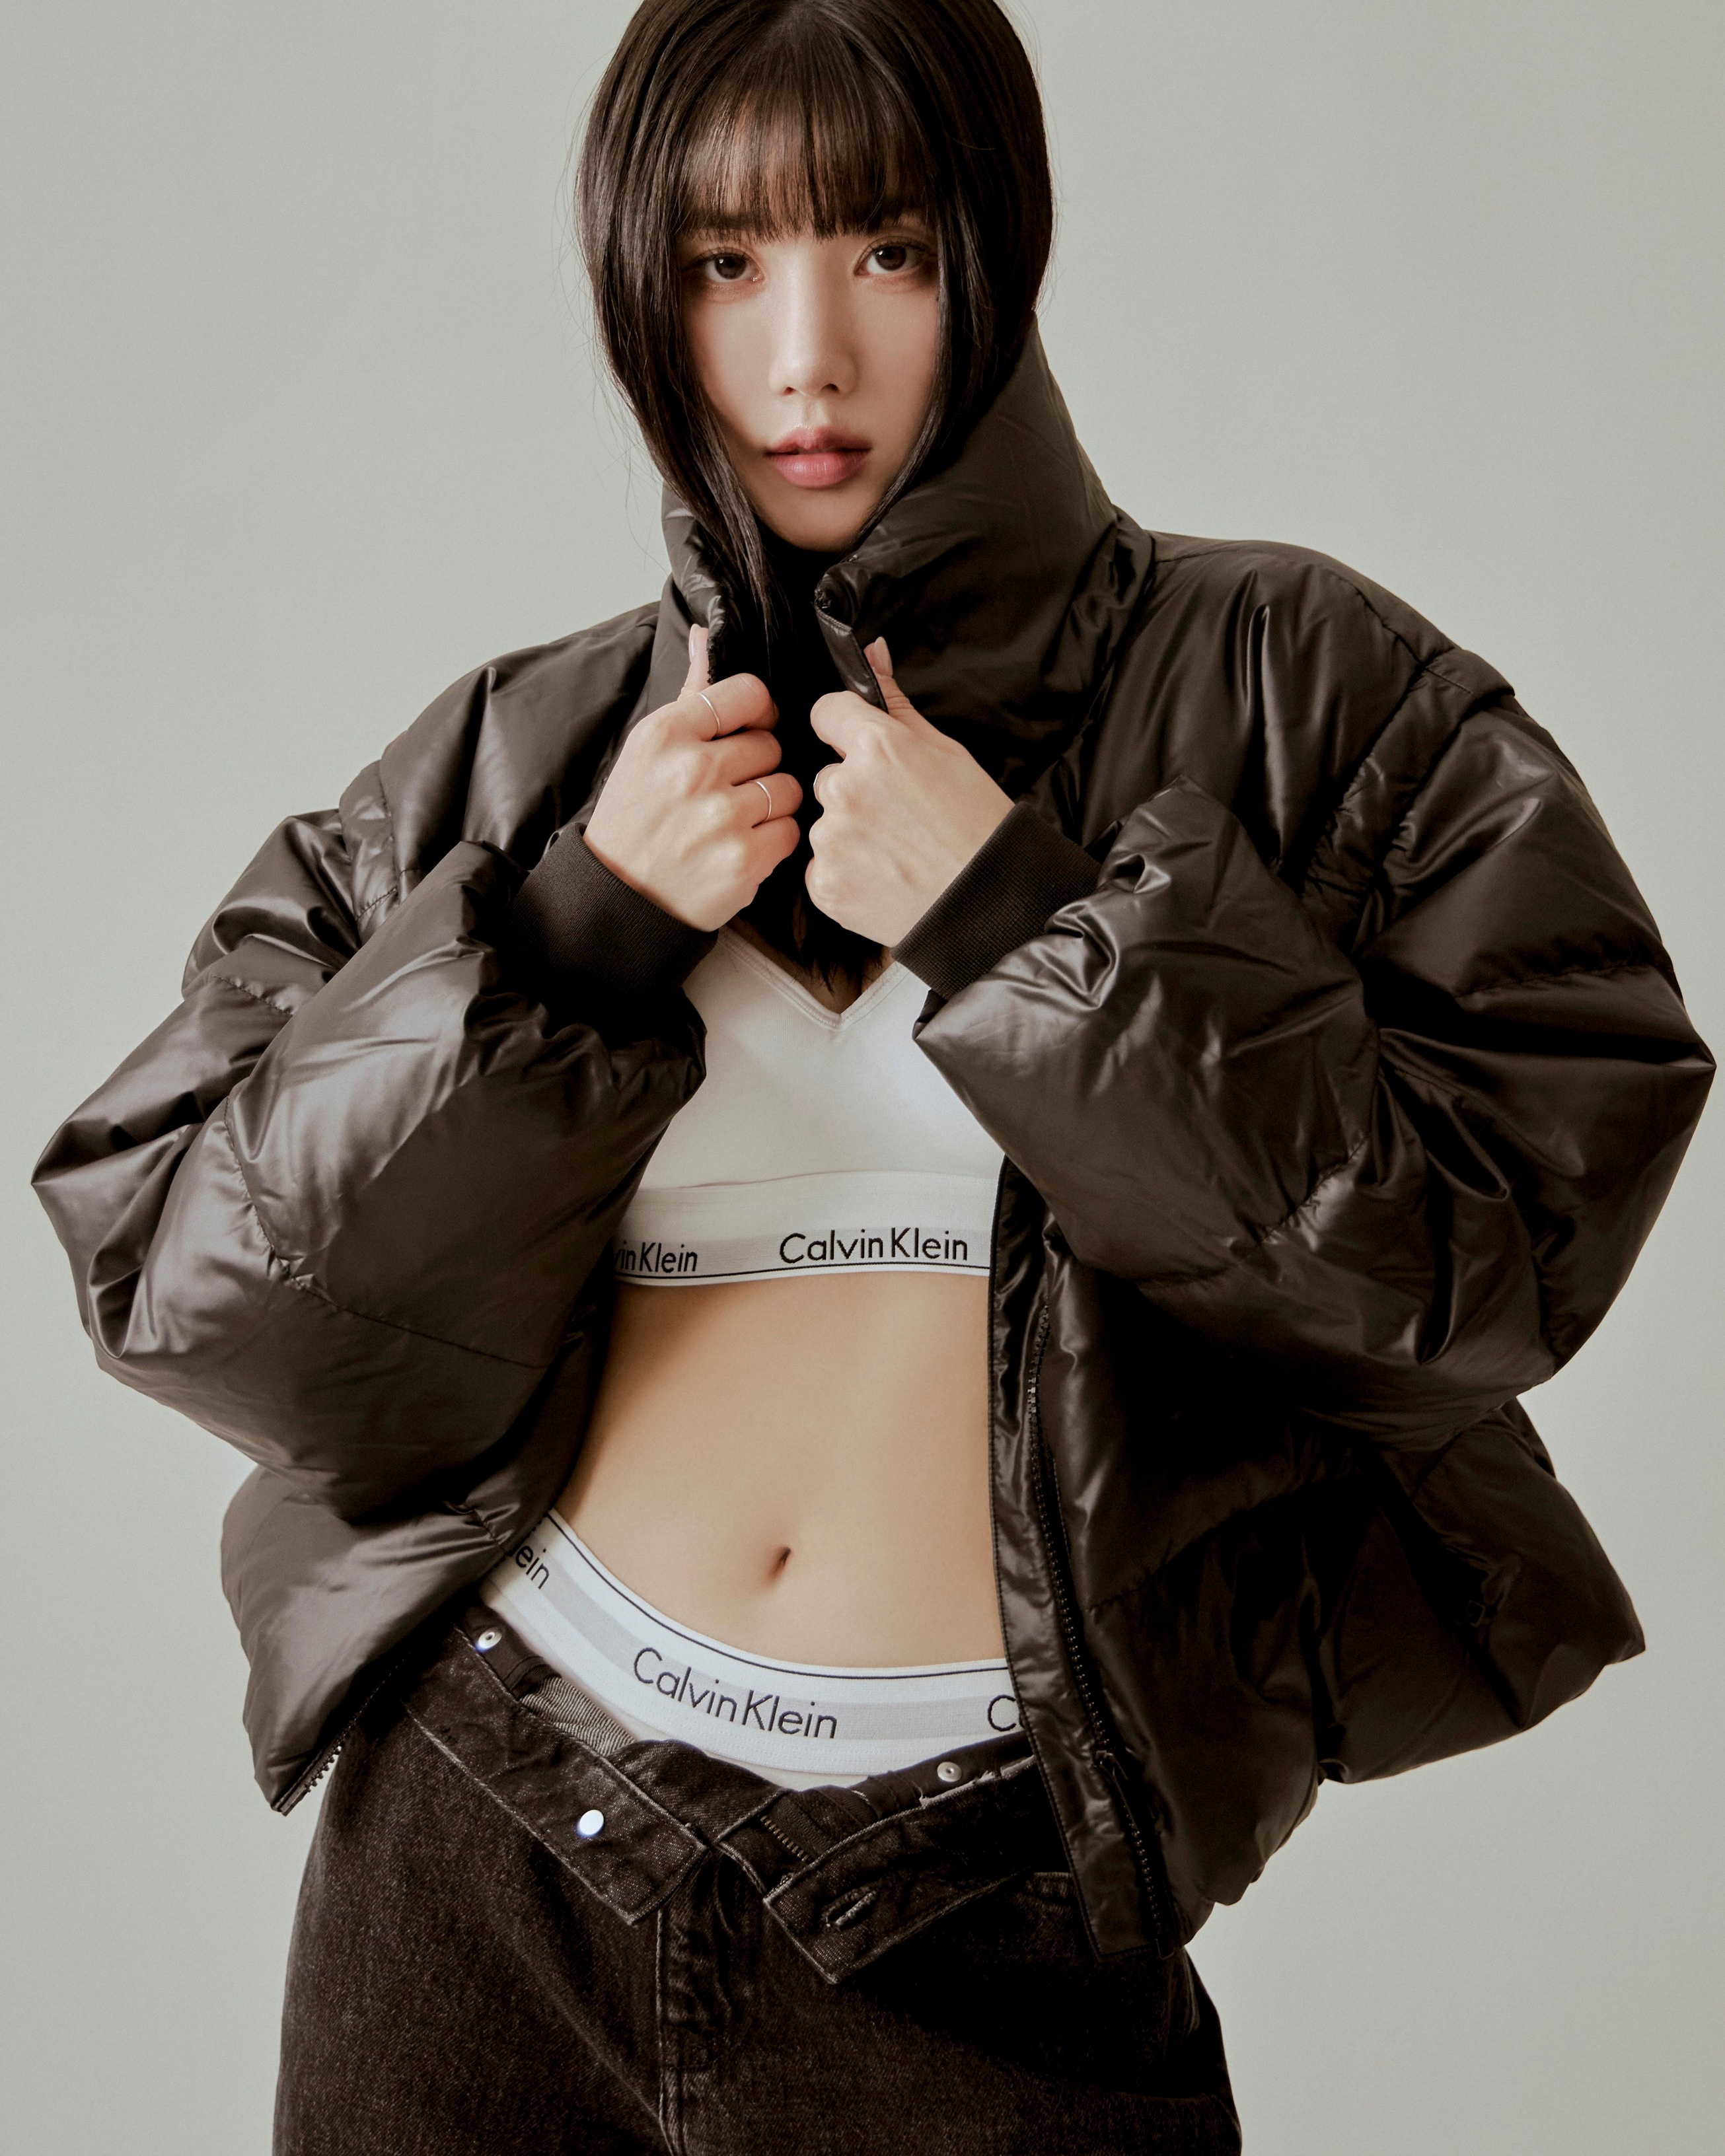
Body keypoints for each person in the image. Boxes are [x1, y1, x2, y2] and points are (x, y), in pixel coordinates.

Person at [32, 1, 1713, 2150]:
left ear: (994, 258)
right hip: (478, 1843)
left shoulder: (1317, 696)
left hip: (989, 1900)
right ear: (639, 288)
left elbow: (1480, 1271)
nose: (804, 356)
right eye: (724, 263)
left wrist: (1024, 928)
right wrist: (565, 944)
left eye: (886, 252)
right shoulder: (511, 766)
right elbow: (217, 1317)